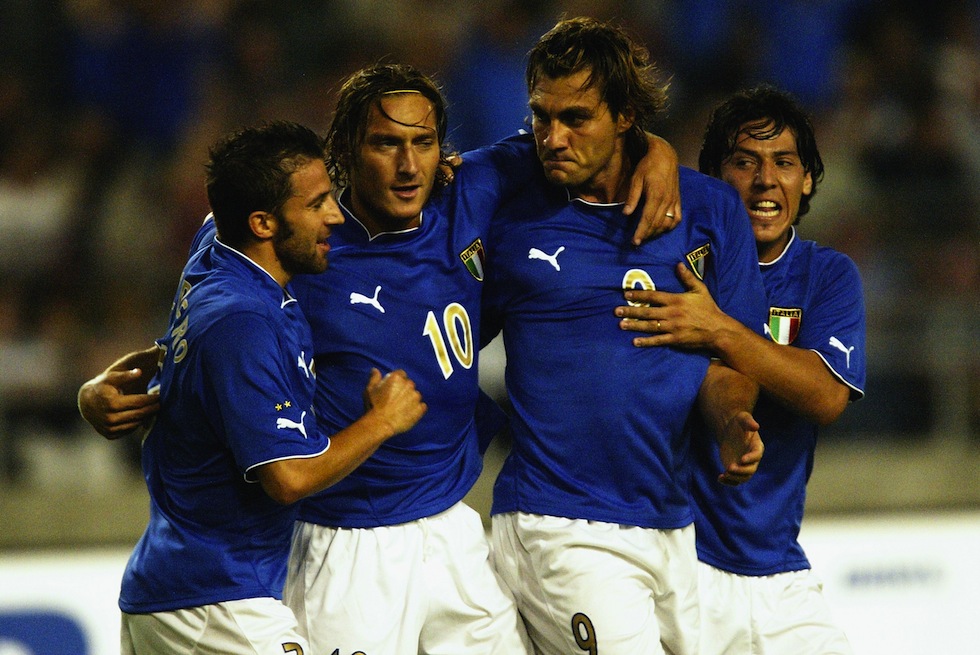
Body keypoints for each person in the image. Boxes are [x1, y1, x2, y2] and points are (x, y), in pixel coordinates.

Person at [78, 64, 680, 654]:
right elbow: (217, 327)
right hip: (343, 541)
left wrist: (657, 152)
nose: (409, 165)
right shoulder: (294, 239)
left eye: (423, 143)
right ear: (344, 151)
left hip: (452, 526)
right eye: (386, 144)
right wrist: (114, 383)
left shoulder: (471, 190)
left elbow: (582, 139)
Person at [480, 17, 769, 655]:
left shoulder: (710, 211)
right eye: (540, 117)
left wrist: (732, 421)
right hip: (557, 519)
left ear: (625, 116)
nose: (552, 138)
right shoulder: (508, 207)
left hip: (671, 521)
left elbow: (729, 357)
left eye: (576, 118)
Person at [108, 121, 426, 654]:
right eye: (317, 204)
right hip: (215, 600)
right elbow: (288, 477)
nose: (334, 216)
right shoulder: (244, 322)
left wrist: (100, 385)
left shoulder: (215, 250)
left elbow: (185, 355)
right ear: (262, 223)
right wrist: (382, 421)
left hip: (177, 591)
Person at [616, 85, 866, 654]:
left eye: (784, 163)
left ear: (808, 180)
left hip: (780, 571)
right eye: (745, 162)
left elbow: (827, 396)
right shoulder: (675, 264)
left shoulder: (827, 275)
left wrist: (720, 330)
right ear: (713, 177)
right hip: (682, 562)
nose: (765, 181)